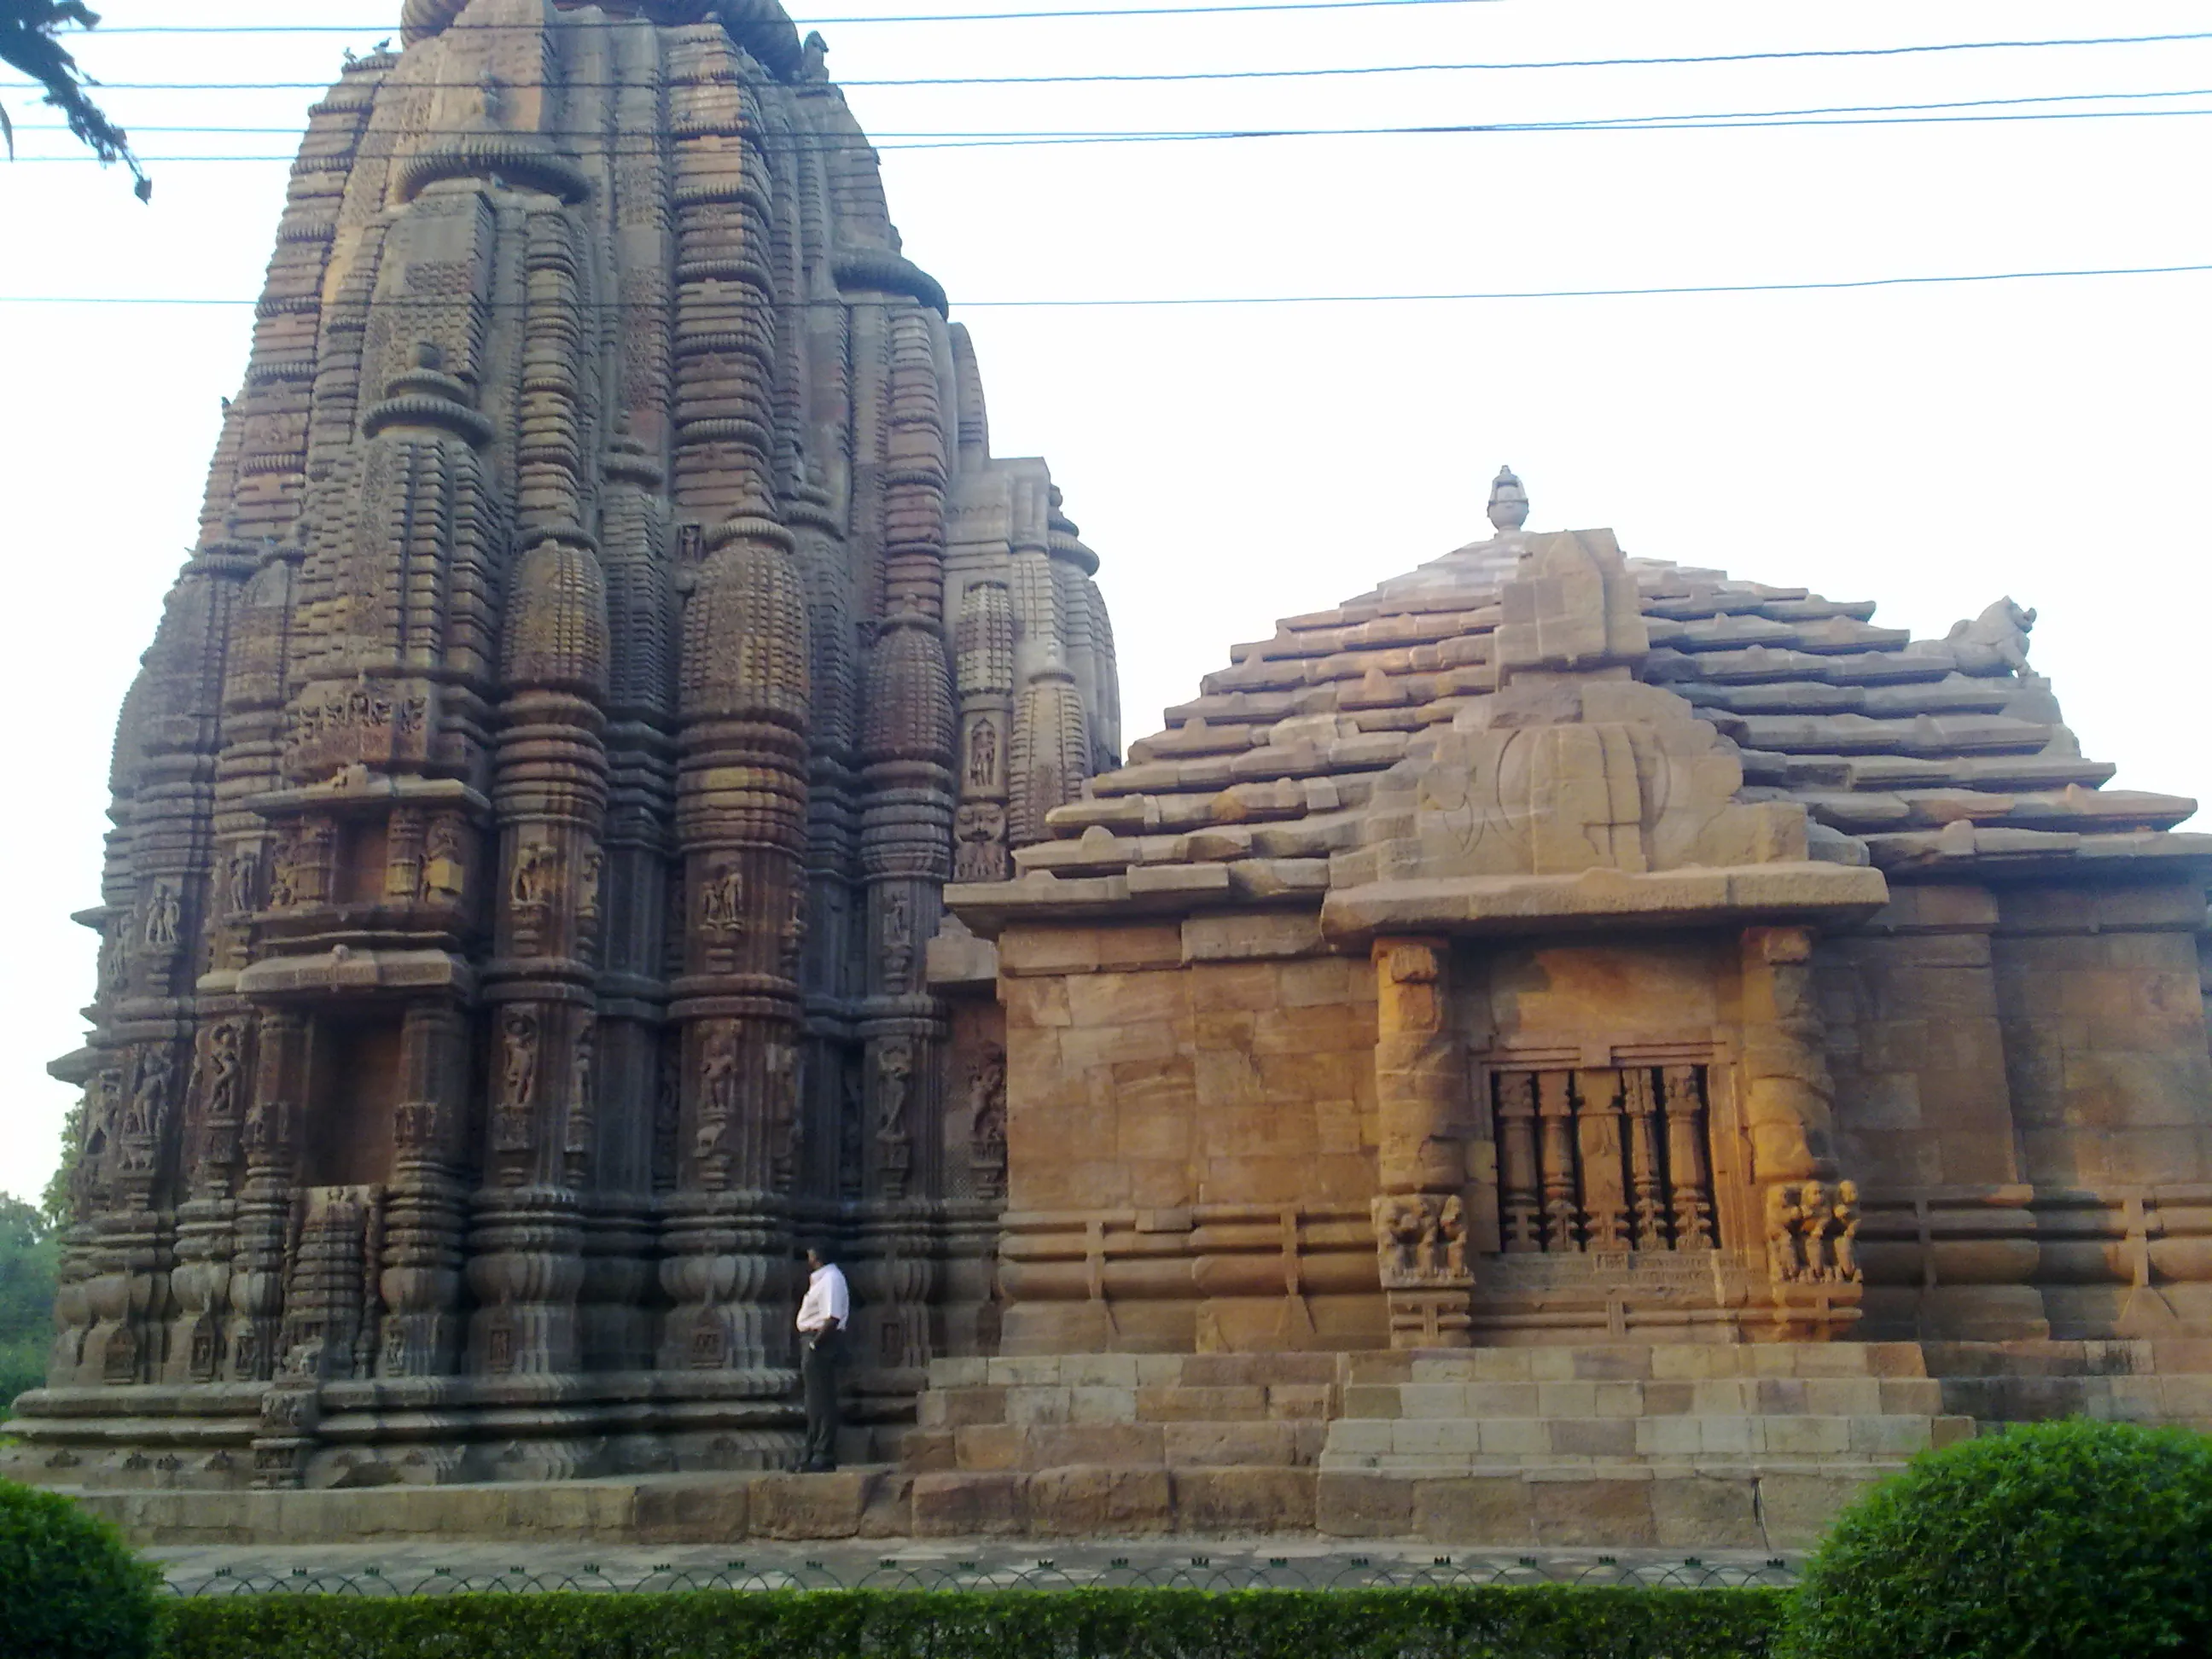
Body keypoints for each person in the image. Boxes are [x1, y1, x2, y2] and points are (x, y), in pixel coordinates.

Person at [795, 1243, 850, 1472]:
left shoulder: (831, 1279)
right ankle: (811, 1453)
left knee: (822, 1401)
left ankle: (823, 1454)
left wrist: (815, 1345)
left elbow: (832, 1318)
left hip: (821, 1342)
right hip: (814, 1340)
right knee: (813, 1401)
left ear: (816, 1255)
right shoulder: (822, 1279)